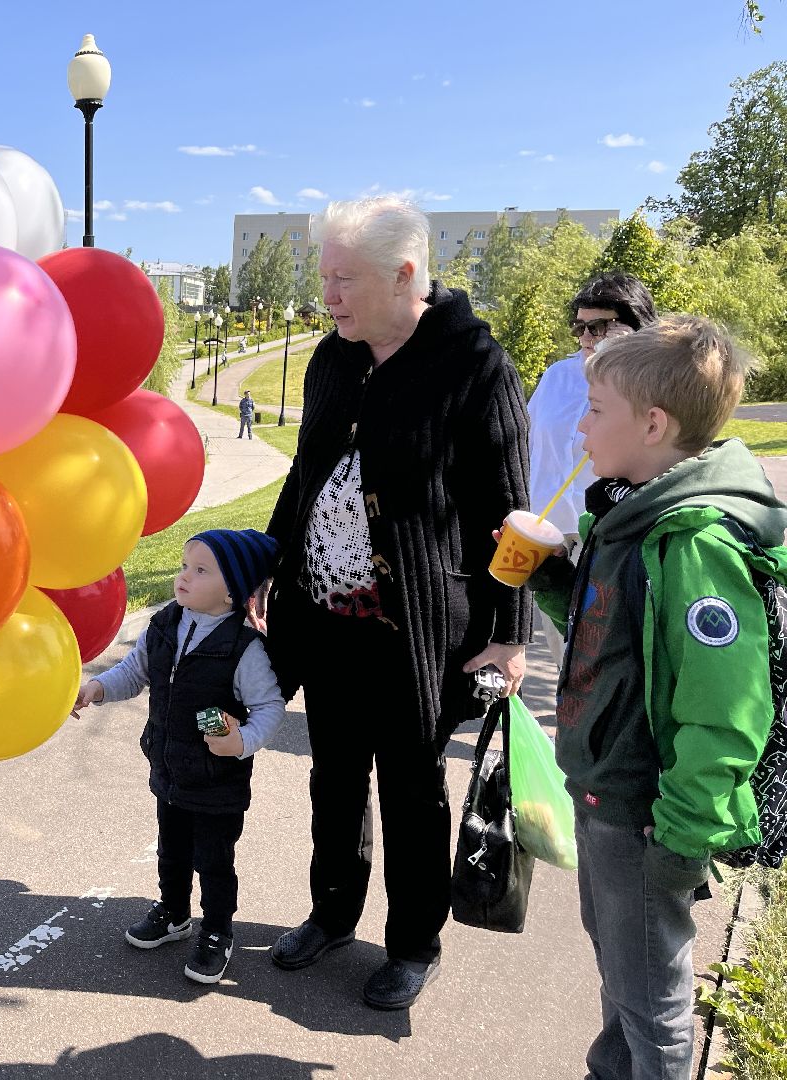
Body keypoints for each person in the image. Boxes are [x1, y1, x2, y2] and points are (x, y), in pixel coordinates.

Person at [258, 196, 531, 1010]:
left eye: (343, 279)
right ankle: (332, 913)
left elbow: (511, 512)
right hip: (325, 622)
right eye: (324, 277)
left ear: (405, 274)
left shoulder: (475, 363)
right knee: (333, 782)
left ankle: (414, 942)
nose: (328, 295)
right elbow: (305, 474)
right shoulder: (332, 358)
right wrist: (269, 564)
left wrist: (511, 636)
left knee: (413, 792)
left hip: (419, 633)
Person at [527, 316, 782, 1080]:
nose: (580, 424)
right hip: (605, 794)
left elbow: (725, 708)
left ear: (653, 423)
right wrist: (547, 578)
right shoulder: (626, 513)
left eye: (596, 408)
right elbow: (608, 633)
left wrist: (683, 836)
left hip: (647, 817)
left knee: (651, 998)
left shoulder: (693, 541)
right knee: (620, 967)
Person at [73, 529, 286, 985]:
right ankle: (173, 913)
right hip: (169, 767)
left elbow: (269, 706)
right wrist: (97, 688)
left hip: (217, 779)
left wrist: (241, 741)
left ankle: (216, 930)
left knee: (213, 859)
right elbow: (135, 672)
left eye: (201, 570)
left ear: (232, 590)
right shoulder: (167, 622)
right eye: (185, 566)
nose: (184, 577)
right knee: (171, 850)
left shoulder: (243, 647)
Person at [527, 271, 658, 668]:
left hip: (610, 536)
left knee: (607, 660)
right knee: (566, 659)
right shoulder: (557, 377)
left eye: (599, 326)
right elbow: (528, 444)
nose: (586, 337)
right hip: (552, 537)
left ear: (634, 328)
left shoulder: (651, 380)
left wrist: (626, 363)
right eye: (580, 327)